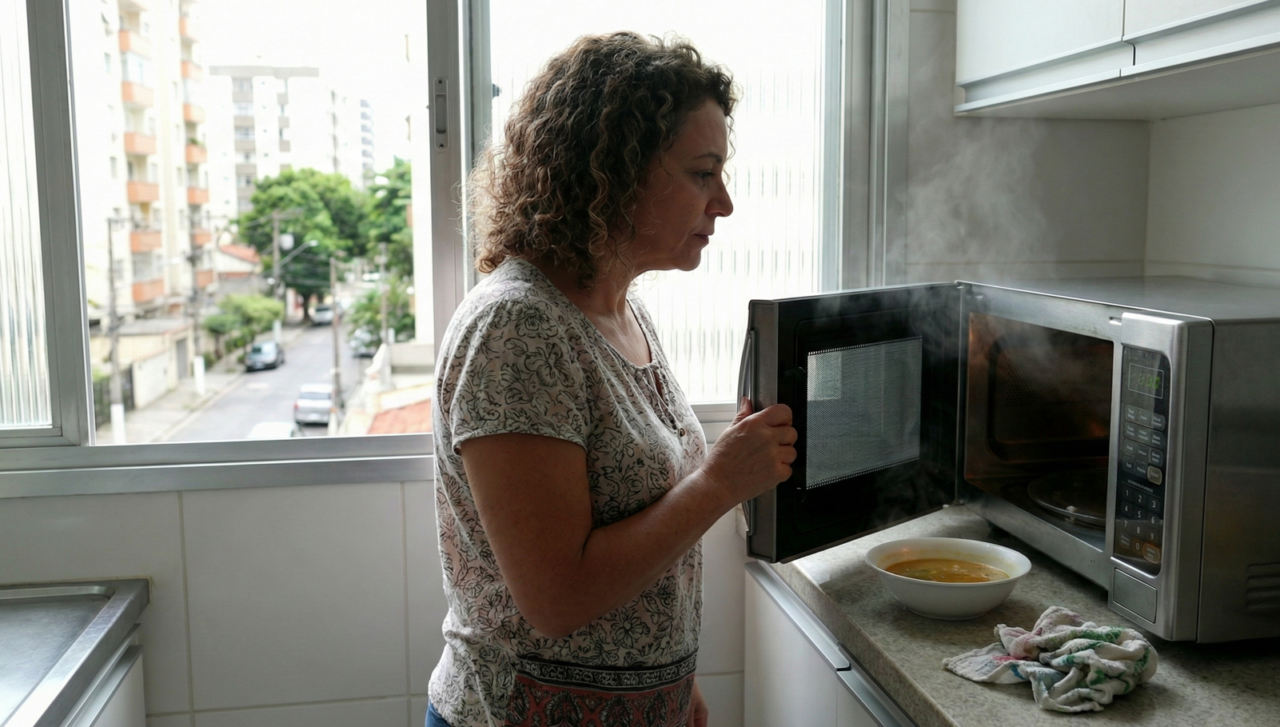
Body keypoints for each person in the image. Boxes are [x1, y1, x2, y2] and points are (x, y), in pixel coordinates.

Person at [429, 32, 796, 727]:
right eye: (701, 172)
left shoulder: (622, 312)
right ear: (617, 171)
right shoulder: (517, 326)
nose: (725, 202)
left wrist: (671, 684)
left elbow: (639, 529)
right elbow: (558, 597)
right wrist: (720, 481)